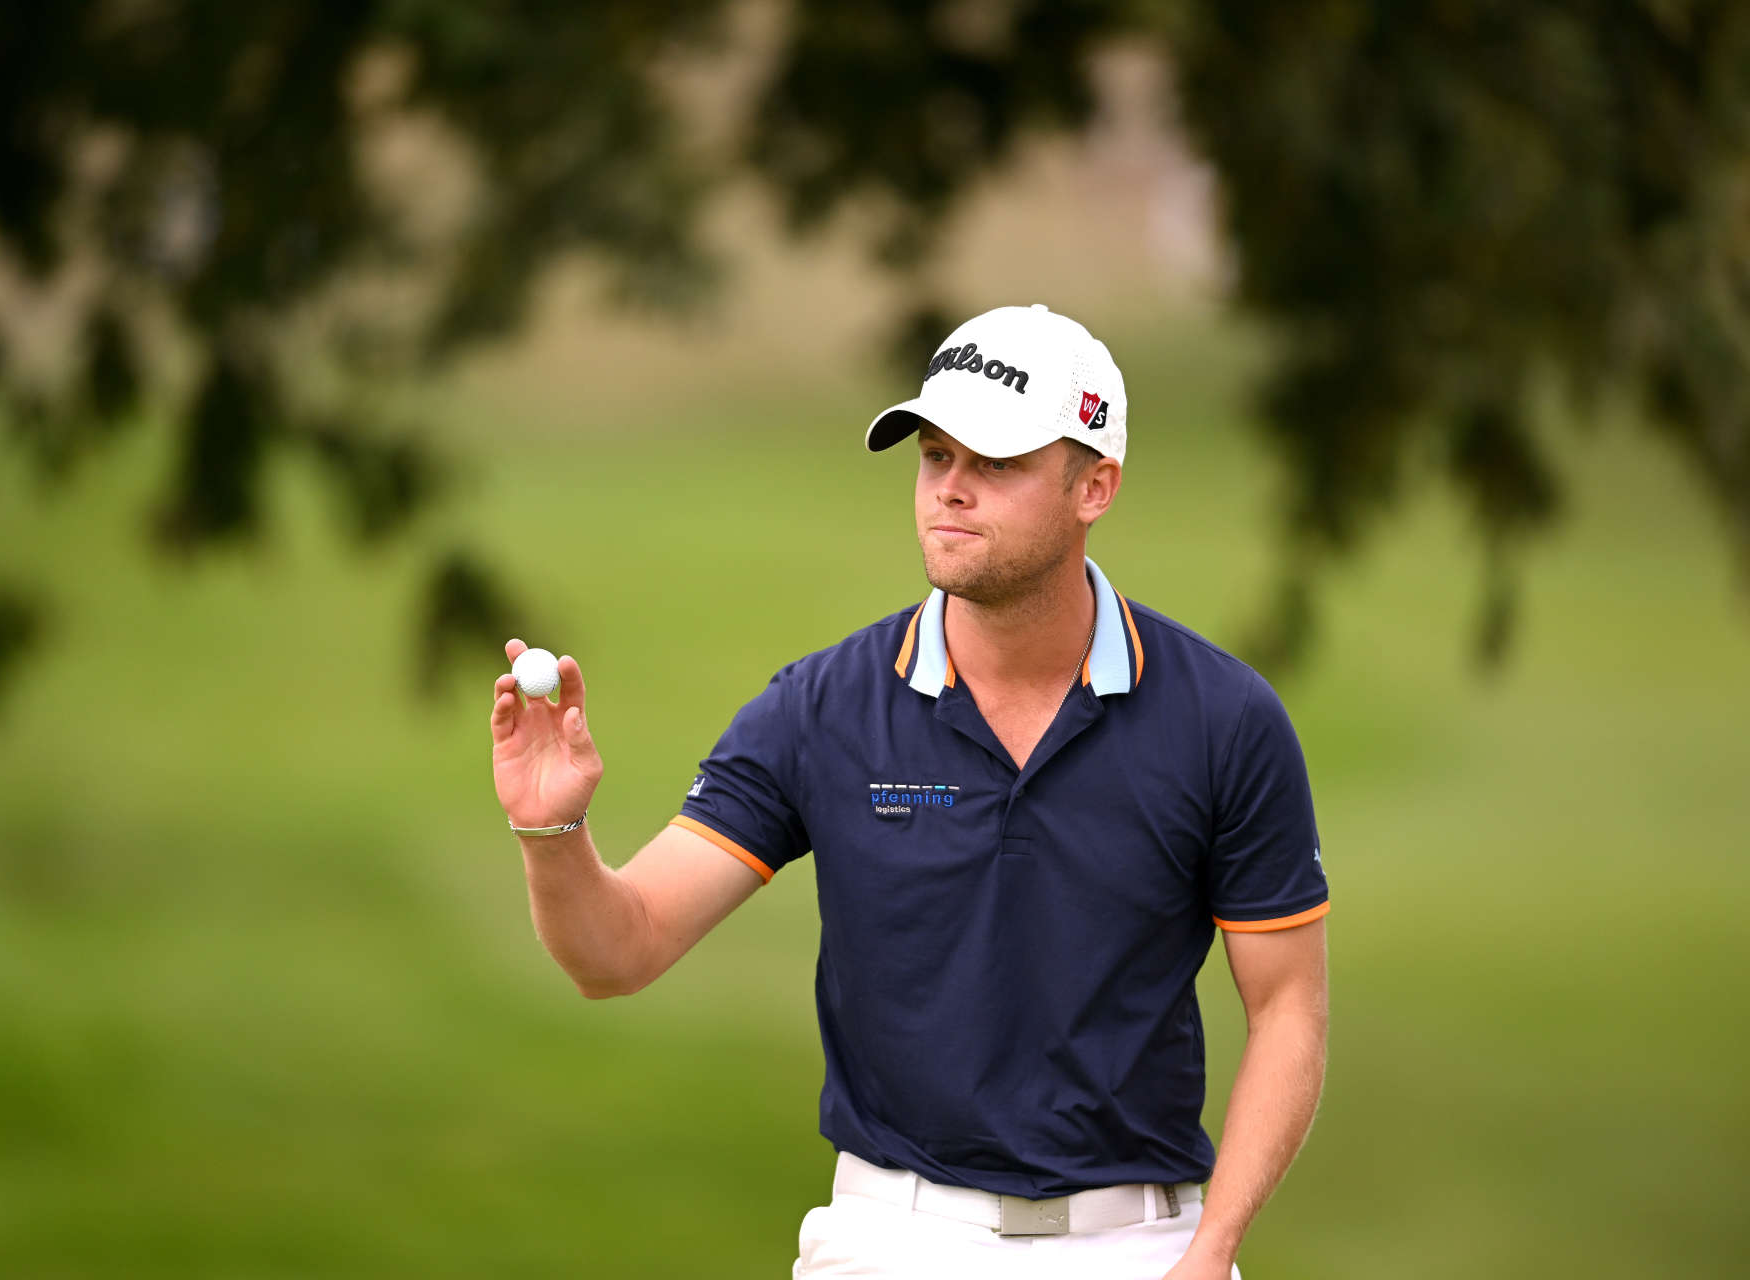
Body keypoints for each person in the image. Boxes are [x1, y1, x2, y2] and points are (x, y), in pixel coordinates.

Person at [489, 304, 1330, 1280]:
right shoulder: (821, 708)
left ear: (1094, 484)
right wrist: (551, 826)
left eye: (997, 464)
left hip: (1142, 1244)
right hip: (892, 1239)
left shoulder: (1223, 717)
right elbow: (617, 951)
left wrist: (1212, 1248)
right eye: (936, 457)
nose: (951, 492)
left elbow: (1288, 1008)